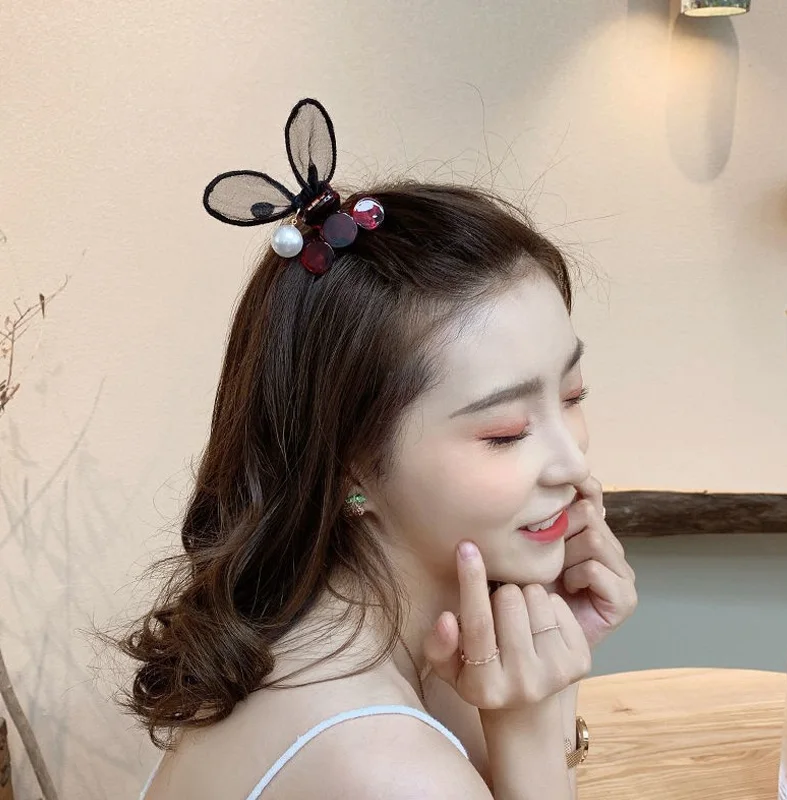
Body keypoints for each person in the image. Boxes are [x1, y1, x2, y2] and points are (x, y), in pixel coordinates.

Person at [123, 98, 638, 799]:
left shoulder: (350, 640)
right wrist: (533, 727)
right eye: (505, 433)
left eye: (573, 395)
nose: (575, 464)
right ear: (348, 465)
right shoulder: (386, 769)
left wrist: (544, 665)